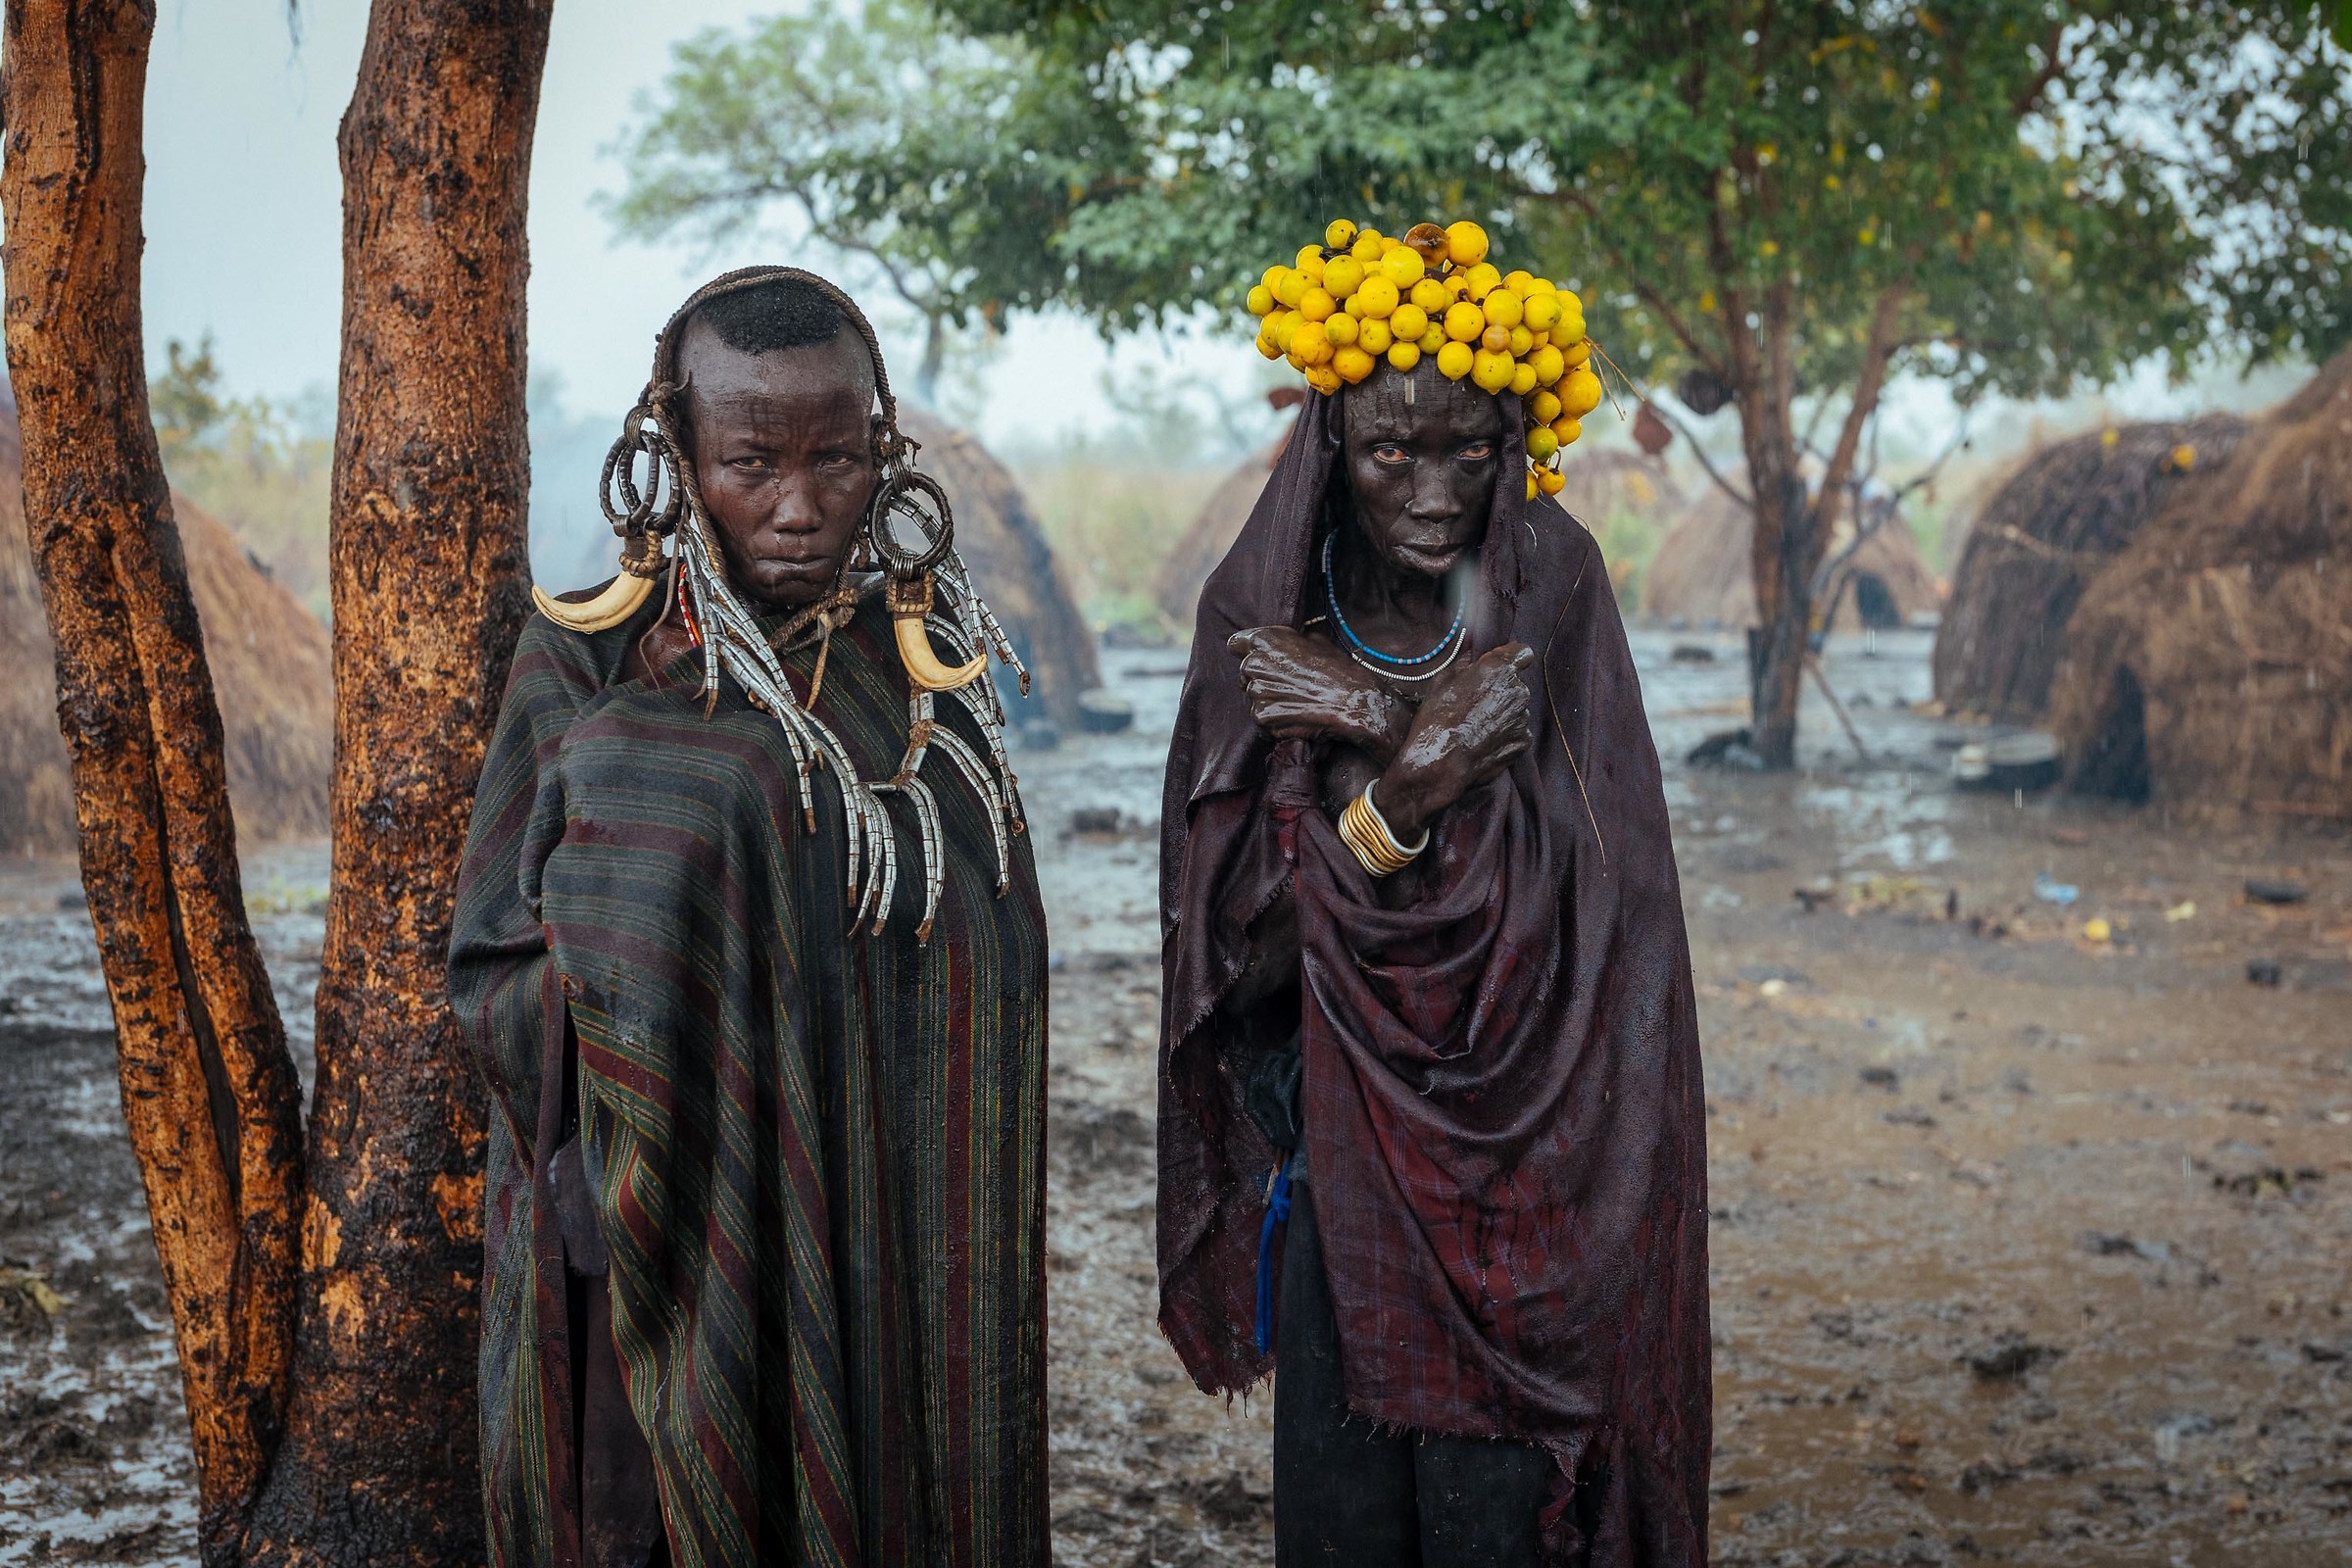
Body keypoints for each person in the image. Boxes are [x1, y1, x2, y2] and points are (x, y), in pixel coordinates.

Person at [450, 268, 1049, 1567]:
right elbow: (493, 953)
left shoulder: (923, 664)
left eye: (836, 460)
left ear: (883, 453)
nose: (797, 505)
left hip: (890, 1200)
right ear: (674, 454)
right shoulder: (586, 660)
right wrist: (655, 1023)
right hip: (664, 1222)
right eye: (750, 462)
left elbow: (988, 941)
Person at [1157, 221, 1711, 1565]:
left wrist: (1356, 709)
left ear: (1515, 447)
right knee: (1345, 1524)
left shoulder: (1554, 587)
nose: (1432, 488)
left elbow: (1595, 914)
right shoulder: (1261, 607)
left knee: (1503, 1523)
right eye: (1392, 449)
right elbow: (1244, 963)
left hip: (1539, 1171)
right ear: (1330, 441)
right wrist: (1410, 782)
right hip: (1339, 1167)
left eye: (1470, 449)